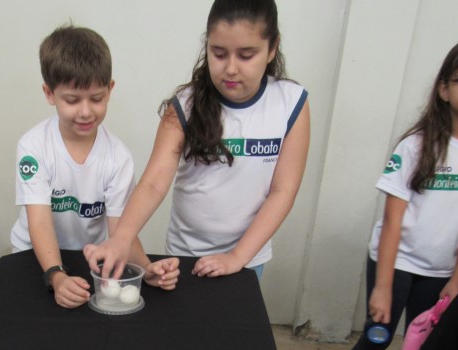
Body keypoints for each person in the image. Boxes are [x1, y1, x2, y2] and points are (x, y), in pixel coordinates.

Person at [327, 34, 458, 350]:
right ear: (444, 89)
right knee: (378, 336)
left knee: (423, 347)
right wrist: (382, 287)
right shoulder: (417, 146)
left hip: (441, 270)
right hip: (396, 263)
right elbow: (392, 220)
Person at [83, 0, 310, 283]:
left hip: (248, 258)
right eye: (219, 53)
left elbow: (283, 191)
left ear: (272, 47)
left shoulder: (291, 103)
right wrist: (122, 238)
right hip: (186, 256)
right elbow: (154, 183)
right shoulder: (185, 105)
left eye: (246, 55)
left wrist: (237, 257)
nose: (230, 68)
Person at [9, 25, 179, 308]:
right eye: (72, 100)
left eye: (96, 98)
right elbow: (39, 222)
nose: (86, 111)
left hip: (89, 258)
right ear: (49, 93)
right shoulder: (33, 147)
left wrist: (146, 269)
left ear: (110, 90)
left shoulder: (118, 157)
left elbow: (121, 230)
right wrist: (55, 275)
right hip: (35, 257)